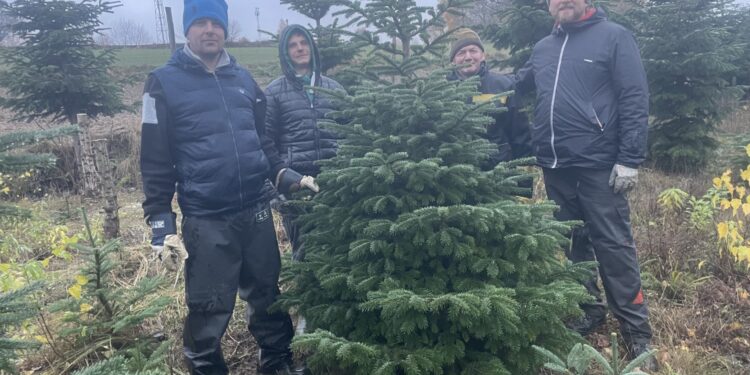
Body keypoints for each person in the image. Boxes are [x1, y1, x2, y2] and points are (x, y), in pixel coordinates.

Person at [139, 1, 313, 374]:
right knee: (209, 307)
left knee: (268, 295)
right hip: (207, 217)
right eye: (200, 23)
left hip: (256, 209)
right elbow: (154, 159)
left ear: (224, 30)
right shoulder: (162, 83)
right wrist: (160, 222)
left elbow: (261, 145)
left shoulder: (243, 79)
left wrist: (285, 176)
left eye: (215, 23)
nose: (209, 30)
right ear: (188, 30)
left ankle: (277, 364)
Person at [515, 0, 657, 369]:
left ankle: (637, 333)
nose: (563, 1)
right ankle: (588, 309)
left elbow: (634, 96)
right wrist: (473, 79)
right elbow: (518, 84)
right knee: (573, 240)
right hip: (554, 164)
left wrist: (629, 158)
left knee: (613, 245)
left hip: (597, 164)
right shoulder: (544, 47)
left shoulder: (614, 37)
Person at [264, 24, 344, 262]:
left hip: (334, 183)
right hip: (297, 186)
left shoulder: (334, 89)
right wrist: (279, 187)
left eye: (304, 42)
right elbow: (266, 143)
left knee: (338, 248)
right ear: (285, 53)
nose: (300, 49)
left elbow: (350, 134)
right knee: (305, 252)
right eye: (293, 45)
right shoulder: (274, 92)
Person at [446, 28, 532, 170]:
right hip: (454, 177)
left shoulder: (504, 87)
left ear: (483, 55)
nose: (468, 57)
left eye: (473, 50)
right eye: (461, 53)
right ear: (453, 60)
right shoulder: (442, 91)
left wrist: (523, 180)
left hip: (498, 175)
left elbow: (520, 136)